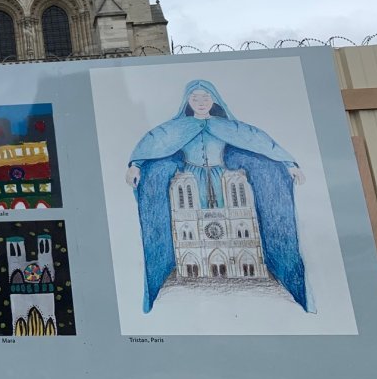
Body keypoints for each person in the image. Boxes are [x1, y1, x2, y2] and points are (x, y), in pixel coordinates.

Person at [126, 79, 310, 313]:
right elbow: (152, 143)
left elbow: (258, 140)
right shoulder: (174, 128)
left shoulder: (229, 126)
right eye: (195, 98)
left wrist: (289, 163)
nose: (201, 103)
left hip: (223, 181)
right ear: (187, 102)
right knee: (189, 224)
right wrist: (135, 164)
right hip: (191, 183)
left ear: (214, 100)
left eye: (205, 98)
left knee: (235, 218)